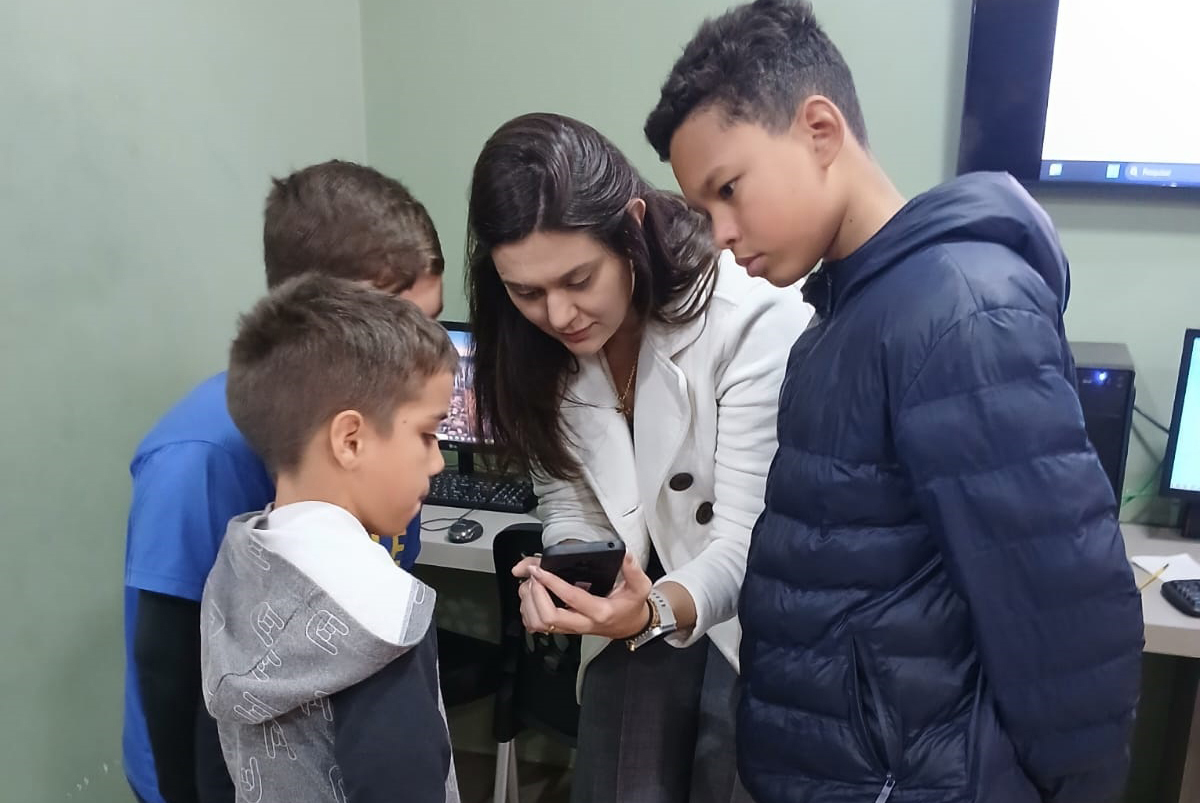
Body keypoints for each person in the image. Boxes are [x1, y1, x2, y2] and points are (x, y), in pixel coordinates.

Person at [644, 2, 1145, 802]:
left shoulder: (958, 312)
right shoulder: (844, 317)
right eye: (704, 211)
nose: (721, 233)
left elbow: (1066, 618)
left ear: (819, 130)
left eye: (729, 190)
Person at [465, 112, 811, 803]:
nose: (558, 315)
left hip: (752, 600)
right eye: (527, 291)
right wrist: (571, 571)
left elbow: (747, 541)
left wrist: (650, 610)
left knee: (733, 762)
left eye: (578, 279)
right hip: (636, 596)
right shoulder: (529, 345)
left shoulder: (747, 313)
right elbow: (568, 496)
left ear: (631, 226)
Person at [122, 160, 446, 803]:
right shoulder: (199, 459)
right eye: (389, 323)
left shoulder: (381, 456)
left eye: (428, 321)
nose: (418, 345)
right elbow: (171, 667)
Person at [201, 273, 459, 803]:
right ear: (351, 440)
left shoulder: (238, 563)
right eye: (427, 434)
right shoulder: (383, 614)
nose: (436, 462)